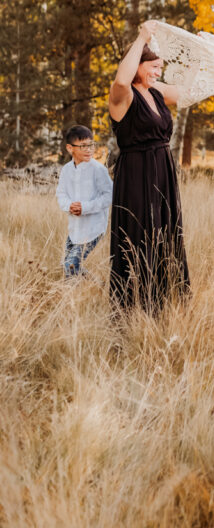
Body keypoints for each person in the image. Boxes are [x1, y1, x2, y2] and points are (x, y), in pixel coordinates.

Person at [108, 20, 190, 311]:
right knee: (139, 231)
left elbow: (188, 90)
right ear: (138, 65)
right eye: (153, 66)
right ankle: (135, 304)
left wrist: (200, 54)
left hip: (162, 172)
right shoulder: (123, 96)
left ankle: (165, 301)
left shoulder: (156, 92)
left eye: (160, 68)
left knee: (165, 231)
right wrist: (142, 36)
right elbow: (120, 80)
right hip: (136, 172)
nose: (157, 73)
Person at [56, 125, 112, 279]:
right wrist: (69, 206)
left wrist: (85, 207)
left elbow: (109, 195)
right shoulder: (66, 170)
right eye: (83, 146)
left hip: (93, 228)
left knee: (71, 265)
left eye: (91, 145)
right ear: (70, 148)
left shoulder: (98, 170)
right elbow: (61, 193)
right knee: (67, 264)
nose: (89, 150)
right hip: (75, 227)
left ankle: (71, 298)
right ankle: (94, 284)